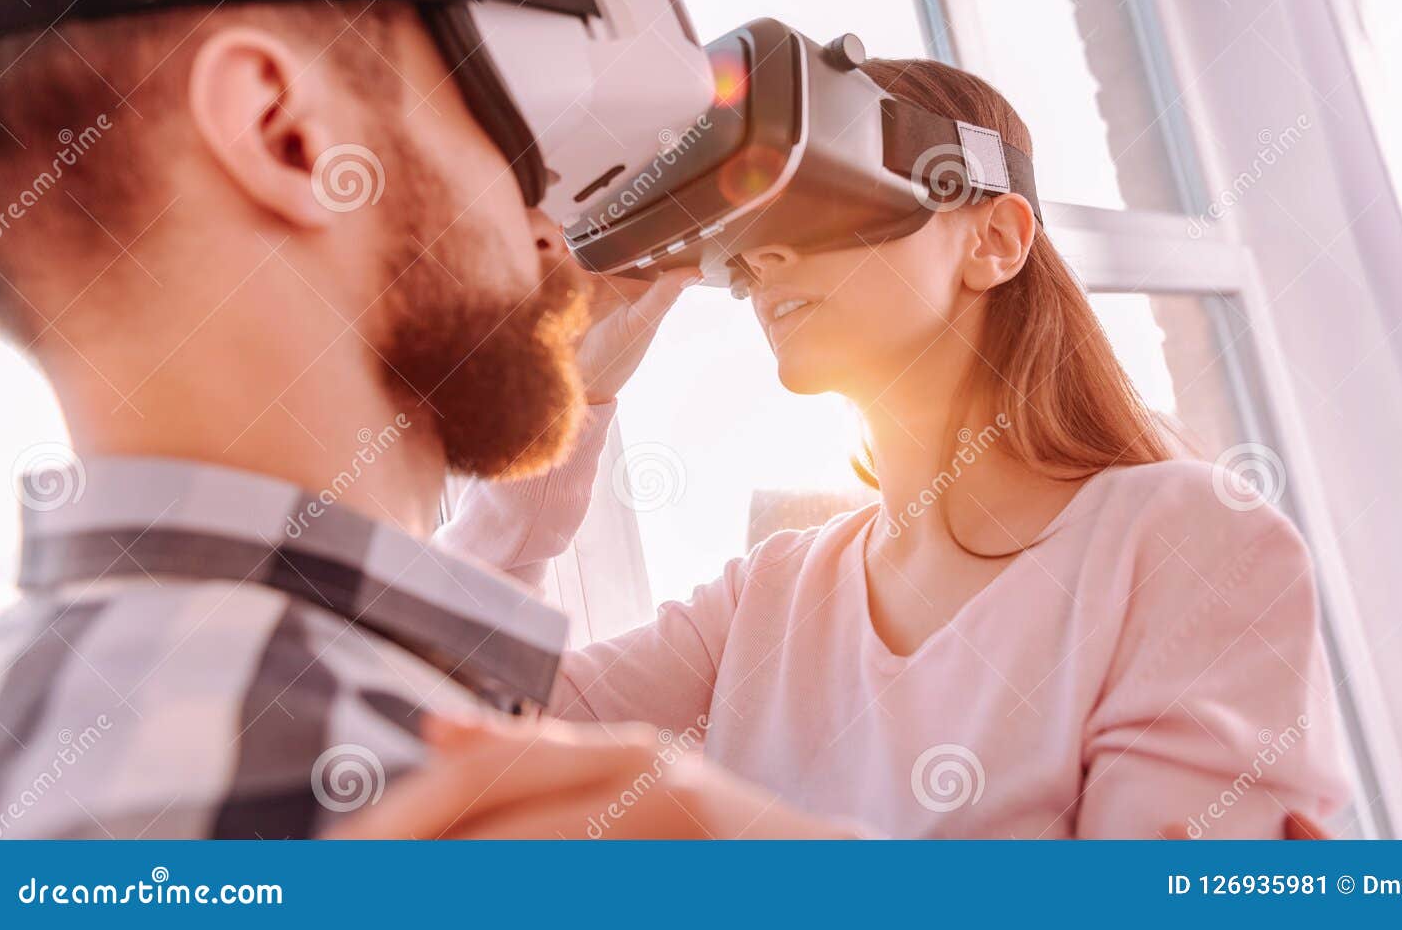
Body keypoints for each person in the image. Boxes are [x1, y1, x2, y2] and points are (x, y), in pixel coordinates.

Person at [0, 0, 827, 839]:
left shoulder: (75, 708)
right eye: (481, 106)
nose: (544, 227)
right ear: (287, 132)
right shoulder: (336, 767)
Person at [420, 58, 1354, 838]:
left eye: (825, 194)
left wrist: (723, 830)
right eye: (752, 225)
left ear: (994, 238)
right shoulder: (772, 592)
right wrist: (569, 395)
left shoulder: (1188, 538)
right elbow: (445, 723)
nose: (769, 255)